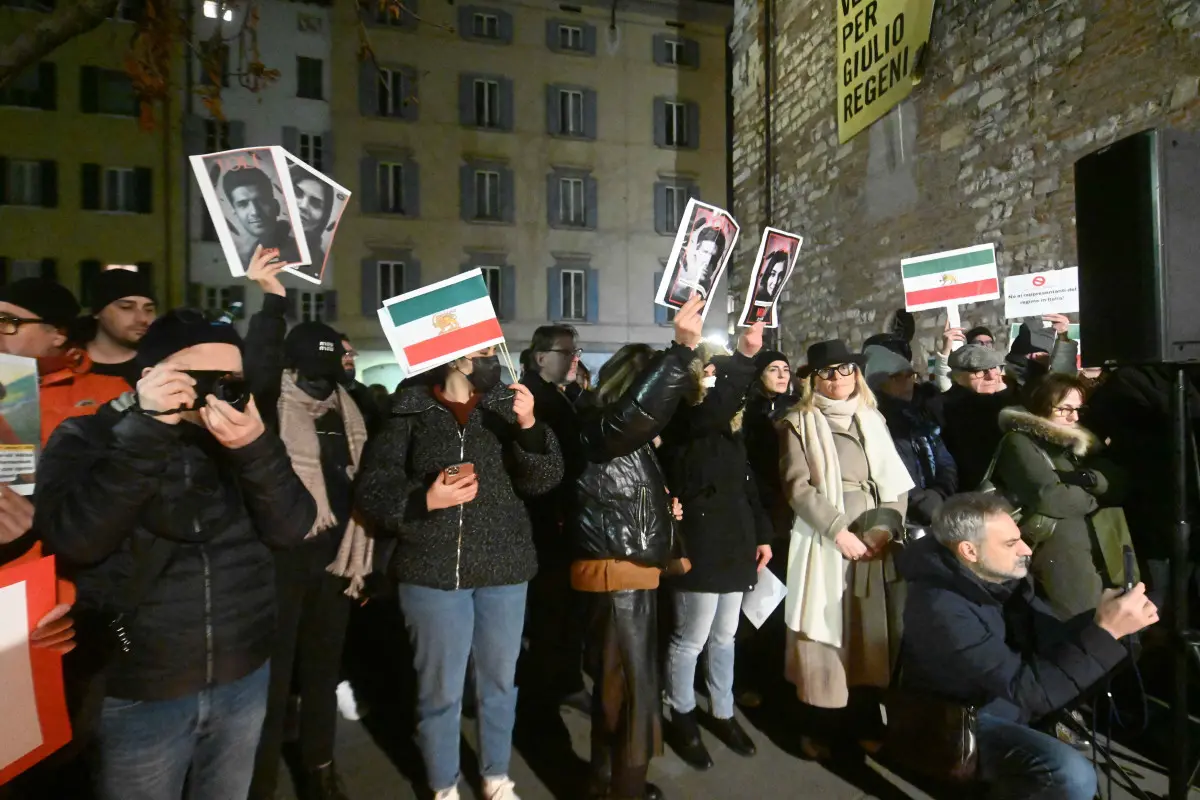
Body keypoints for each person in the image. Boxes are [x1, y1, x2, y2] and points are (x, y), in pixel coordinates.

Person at [35, 308, 317, 800]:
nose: (214, 391)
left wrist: (254, 451)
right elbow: (77, 540)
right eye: (198, 376)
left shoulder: (244, 440)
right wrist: (147, 430)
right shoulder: (90, 437)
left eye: (229, 380)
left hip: (242, 675)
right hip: (140, 684)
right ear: (149, 375)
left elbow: (293, 527)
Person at [355, 345, 563, 800]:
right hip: (431, 569)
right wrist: (423, 501)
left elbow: (544, 480)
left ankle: (494, 775)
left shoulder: (508, 406)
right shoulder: (408, 409)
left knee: (499, 683)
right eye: (482, 348)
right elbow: (373, 485)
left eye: (493, 346)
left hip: (503, 567)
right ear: (454, 354)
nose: (491, 354)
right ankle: (443, 783)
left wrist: (529, 426)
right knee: (440, 690)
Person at [898, 493, 1157, 800]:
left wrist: (1102, 622)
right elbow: (1027, 689)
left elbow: (1047, 640)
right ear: (969, 550)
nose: (1026, 550)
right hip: (960, 720)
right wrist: (1105, 632)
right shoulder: (940, 609)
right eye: (1010, 544)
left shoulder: (997, 578)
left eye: (1019, 538)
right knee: (1071, 776)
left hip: (1005, 699)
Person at [242, 253, 371, 800]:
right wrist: (271, 300)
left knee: (321, 673)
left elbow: (367, 481)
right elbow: (260, 367)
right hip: (280, 562)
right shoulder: (271, 405)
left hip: (338, 559)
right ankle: (262, 778)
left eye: (338, 361)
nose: (338, 368)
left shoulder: (352, 408)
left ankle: (319, 768)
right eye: (326, 362)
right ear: (299, 368)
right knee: (272, 682)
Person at [570, 295, 705, 800]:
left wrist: (660, 517)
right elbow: (638, 415)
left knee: (617, 691)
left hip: (626, 574)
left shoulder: (613, 434)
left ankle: (604, 784)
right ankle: (623, 792)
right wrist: (680, 350)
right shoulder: (605, 428)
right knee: (633, 697)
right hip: (617, 578)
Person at [778, 339, 913, 758]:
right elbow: (798, 488)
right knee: (825, 630)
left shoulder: (872, 418)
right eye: (827, 372)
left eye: (845, 369)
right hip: (826, 541)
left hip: (876, 539)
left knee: (869, 631)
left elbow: (895, 482)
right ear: (812, 380)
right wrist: (840, 532)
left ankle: (865, 717)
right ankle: (819, 723)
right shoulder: (797, 422)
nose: (838, 378)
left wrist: (885, 529)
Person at [658, 323, 771, 770]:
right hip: (701, 541)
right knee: (692, 638)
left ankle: (722, 711)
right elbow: (707, 414)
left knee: (725, 636)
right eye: (708, 371)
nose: (715, 378)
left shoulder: (729, 429)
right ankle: (681, 713)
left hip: (737, 540)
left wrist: (761, 534)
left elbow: (747, 485)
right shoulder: (685, 419)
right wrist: (743, 358)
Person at [990, 373, 1135, 619]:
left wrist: (1092, 480)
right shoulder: (1019, 442)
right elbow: (1051, 498)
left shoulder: (1084, 442)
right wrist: (1095, 496)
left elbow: (1117, 484)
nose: (1074, 417)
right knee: (1079, 618)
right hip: (1058, 545)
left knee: (1115, 615)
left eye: (1079, 409)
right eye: (1065, 409)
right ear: (1042, 405)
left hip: (1103, 539)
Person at [520, 325, 587, 709]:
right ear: (542, 356)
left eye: (576, 351)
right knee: (552, 609)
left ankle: (559, 679)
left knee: (560, 609)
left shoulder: (555, 395)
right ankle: (552, 686)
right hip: (546, 519)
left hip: (558, 516)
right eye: (567, 352)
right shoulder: (533, 399)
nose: (574, 357)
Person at [863, 345, 957, 529]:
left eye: (910, 375)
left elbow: (944, 459)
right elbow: (892, 471)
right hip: (905, 516)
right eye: (897, 377)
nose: (907, 382)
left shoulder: (920, 415)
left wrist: (940, 491)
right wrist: (920, 501)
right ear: (879, 383)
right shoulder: (876, 421)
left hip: (937, 505)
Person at [940, 344, 1015, 492]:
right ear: (958, 376)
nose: (992, 376)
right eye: (981, 371)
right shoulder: (945, 405)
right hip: (968, 491)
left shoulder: (1005, 400)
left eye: (995, 368)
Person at [84, 268, 157, 388]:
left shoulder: (162, 366)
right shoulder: (66, 362)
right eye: (126, 307)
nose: (142, 318)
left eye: (149, 310)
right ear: (97, 312)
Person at [222, 167, 294, 268]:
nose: (255, 211)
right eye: (243, 204)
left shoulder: (298, 248)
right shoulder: (249, 255)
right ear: (235, 212)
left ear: (276, 206)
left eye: (262, 201)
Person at [290, 166, 335, 270]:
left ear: (324, 217)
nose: (304, 206)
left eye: (315, 203)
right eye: (298, 193)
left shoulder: (317, 264)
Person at [668, 226, 727, 306]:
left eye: (714, 257)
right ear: (694, 251)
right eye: (705, 252)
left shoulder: (708, 293)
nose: (708, 262)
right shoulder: (674, 281)